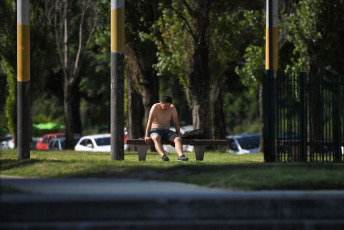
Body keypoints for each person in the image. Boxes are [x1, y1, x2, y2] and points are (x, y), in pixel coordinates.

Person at [145, 95, 189, 161]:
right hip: (155, 130)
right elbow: (149, 122)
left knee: (177, 139)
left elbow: (176, 122)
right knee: (156, 138)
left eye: (168, 106)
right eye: (165, 106)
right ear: (161, 103)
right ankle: (163, 156)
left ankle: (181, 156)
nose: (167, 108)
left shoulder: (172, 108)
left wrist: (178, 134)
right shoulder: (155, 107)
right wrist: (147, 135)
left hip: (167, 131)